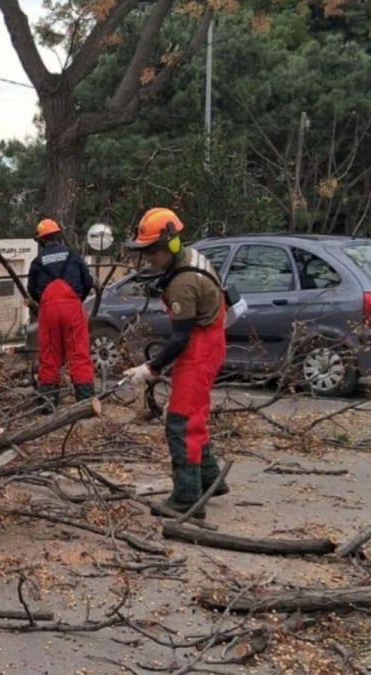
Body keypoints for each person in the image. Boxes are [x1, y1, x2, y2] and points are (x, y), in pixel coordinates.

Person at [122, 207, 230, 518]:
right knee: (194, 414)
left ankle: (187, 498)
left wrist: (150, 368)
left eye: (152, 251)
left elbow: (180, 338)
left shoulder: (183, 282)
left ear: (170, 244)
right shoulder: (188, 258)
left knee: (181, 422)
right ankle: (210, 478)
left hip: (200, 348)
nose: (149, 258)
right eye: (145, 251)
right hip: (206, 341)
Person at [26, 218, 95, 410]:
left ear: (40, 240)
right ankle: (85, 402)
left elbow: (31, 289)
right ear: (58, 235)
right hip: (72, 307)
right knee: (78, 352)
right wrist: (76, 298)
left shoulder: (37, 262)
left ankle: (48, 404)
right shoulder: (72, 256)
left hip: (48, 310)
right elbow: (88, 281)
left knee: (49, 354)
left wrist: (46, 302)